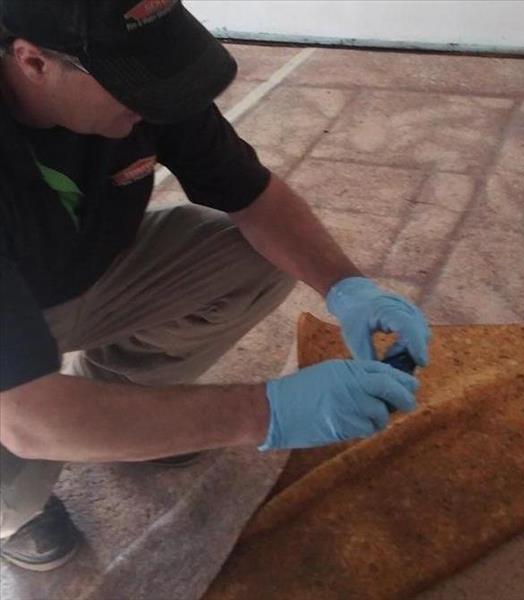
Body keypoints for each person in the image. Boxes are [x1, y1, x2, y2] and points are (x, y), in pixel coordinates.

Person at [0, 0, 430, 572]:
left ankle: (117, 398)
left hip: (72, 273)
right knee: (19, 471)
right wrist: (265, 413)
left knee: (251, 258)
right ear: (32, 62)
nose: (156, 105)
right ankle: (16, 513)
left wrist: (350, 288)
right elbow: (28, 417)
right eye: (136, 89)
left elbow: (254, 196)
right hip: (17, 347)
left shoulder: (140, 79)